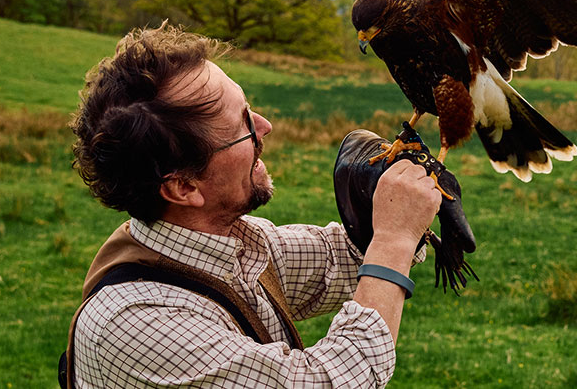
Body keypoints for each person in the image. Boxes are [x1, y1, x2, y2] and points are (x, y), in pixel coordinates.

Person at [67, 21, 442, 388]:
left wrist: (397, 198)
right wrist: (393, 240)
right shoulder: (135, 325)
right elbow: (322, 381)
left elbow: (339, 256)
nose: (265, 126)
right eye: (243, 124)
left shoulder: (232, 244)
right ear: (183, 186)